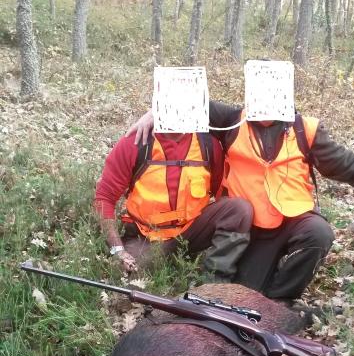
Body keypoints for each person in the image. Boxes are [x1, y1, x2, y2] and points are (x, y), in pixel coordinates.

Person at [127, 61, 354, 301]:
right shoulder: (232, 121)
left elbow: (343, 163)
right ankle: (260, 294)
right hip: (251, 229)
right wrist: (154, 112)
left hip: (294, 220)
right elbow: (187, 101)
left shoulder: (306, 129)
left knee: (319, 233)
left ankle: (282, 299)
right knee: (244, 296)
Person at [95, 67, 253, 279]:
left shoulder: (208, 145)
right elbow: (104, 199)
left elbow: (221, 195)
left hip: (192, 232)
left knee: (239, 209)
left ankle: (213, 281)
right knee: (129, 275)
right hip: (147, 237)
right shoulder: (136, 143)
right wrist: (118, 250)